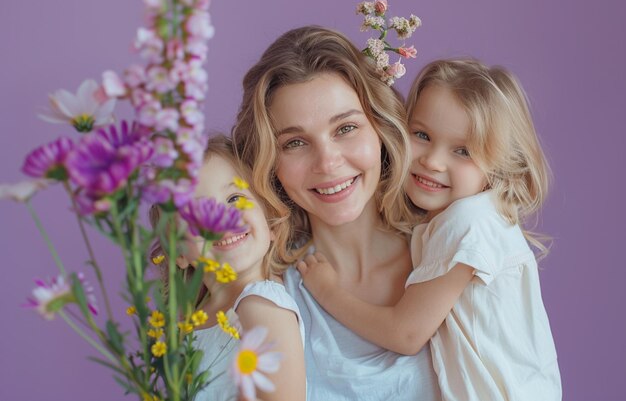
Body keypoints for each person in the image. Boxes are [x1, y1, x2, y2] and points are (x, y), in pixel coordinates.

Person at [298, 59, 562, 400]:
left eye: (463, 151)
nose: (433, 161)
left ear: (498, 165)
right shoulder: (473, 219)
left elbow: (406, 334)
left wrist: (328, 292)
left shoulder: (468, 223)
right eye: (422, 135)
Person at [232, 26, 440, 400]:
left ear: (381, 128)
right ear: (269, 162)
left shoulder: (451, 253)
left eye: (345, 128)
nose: (327, 163)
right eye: (295, 142)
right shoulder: (266, 294)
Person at [149, 135, 306, 401]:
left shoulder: (260, 304)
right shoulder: (183, 325)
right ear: (179, 253)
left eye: (234, 198)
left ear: (271, 226)